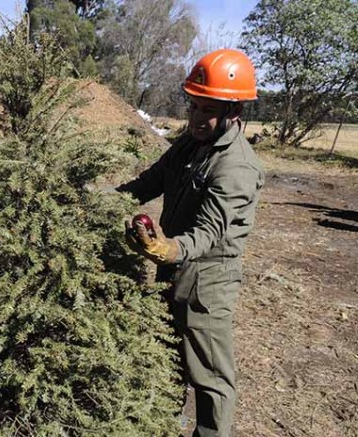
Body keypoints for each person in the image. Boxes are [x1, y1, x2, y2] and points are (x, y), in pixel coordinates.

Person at [118, 49, 265, 436]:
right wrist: (99, 201)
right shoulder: (188, 145)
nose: (198, 118)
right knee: (165, 358)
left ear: (234, 112)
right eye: (194, 107)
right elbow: (146, 183)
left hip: (208, 283)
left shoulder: (236, 167)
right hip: (172, 269)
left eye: (208, 110)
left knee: (210, 378)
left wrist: (166, 248)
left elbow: (206, 234)